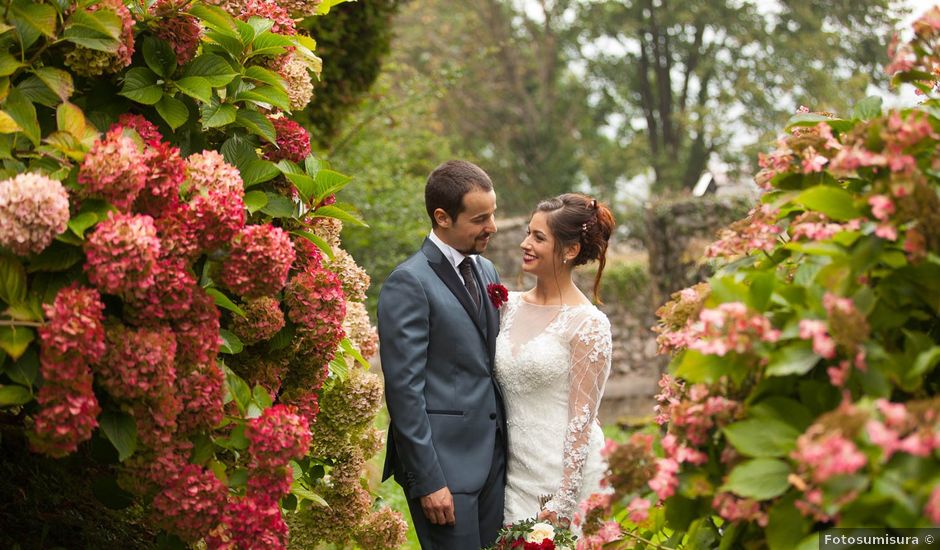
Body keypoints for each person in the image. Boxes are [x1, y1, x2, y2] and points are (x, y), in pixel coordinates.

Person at [378, 160, 507, 549]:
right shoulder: (409, 282)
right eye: (480, 218)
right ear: (442, 217)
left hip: (495, 462)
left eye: (493, 214)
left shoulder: (487, 272)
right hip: (445, 472)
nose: (493, 227)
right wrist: (428, 479)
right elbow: (404, 391)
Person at [495, 193, 616, 526]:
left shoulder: (588, 324)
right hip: (512, 474)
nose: (525, 244)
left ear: (570, 250)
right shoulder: (508, 306)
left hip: (562, 479)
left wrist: (565, 498)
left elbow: (582, 420)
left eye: (538, 237)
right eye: (527, 233)